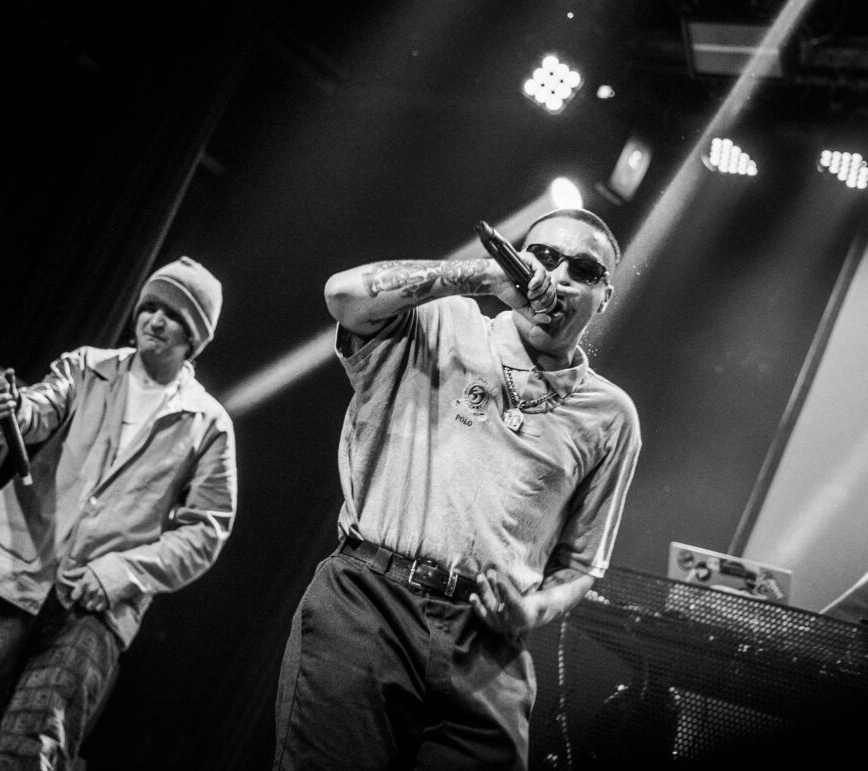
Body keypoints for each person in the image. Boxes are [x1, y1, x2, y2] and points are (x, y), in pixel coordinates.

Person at [274, 208, 641, 769]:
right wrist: (483, 277)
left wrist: (532, 610)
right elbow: (343, 295)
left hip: (486, 648)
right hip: (371, 603)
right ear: (517, 259)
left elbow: (580, 565)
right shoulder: (444, 322)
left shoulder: (611, 416)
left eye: (583, 270)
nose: (558, 275)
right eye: (543, 256)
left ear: (605, 295)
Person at [0, 256, 238, 770]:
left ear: (195, 337)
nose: (155, 320)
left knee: (32, 752)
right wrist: (10, 409)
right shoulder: (87, 366)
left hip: (93, 610)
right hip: (9, 571)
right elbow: (36, 410)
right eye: (150, 306)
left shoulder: (208, 424)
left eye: (173, 315)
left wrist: (121, 573)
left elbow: (206, 531)